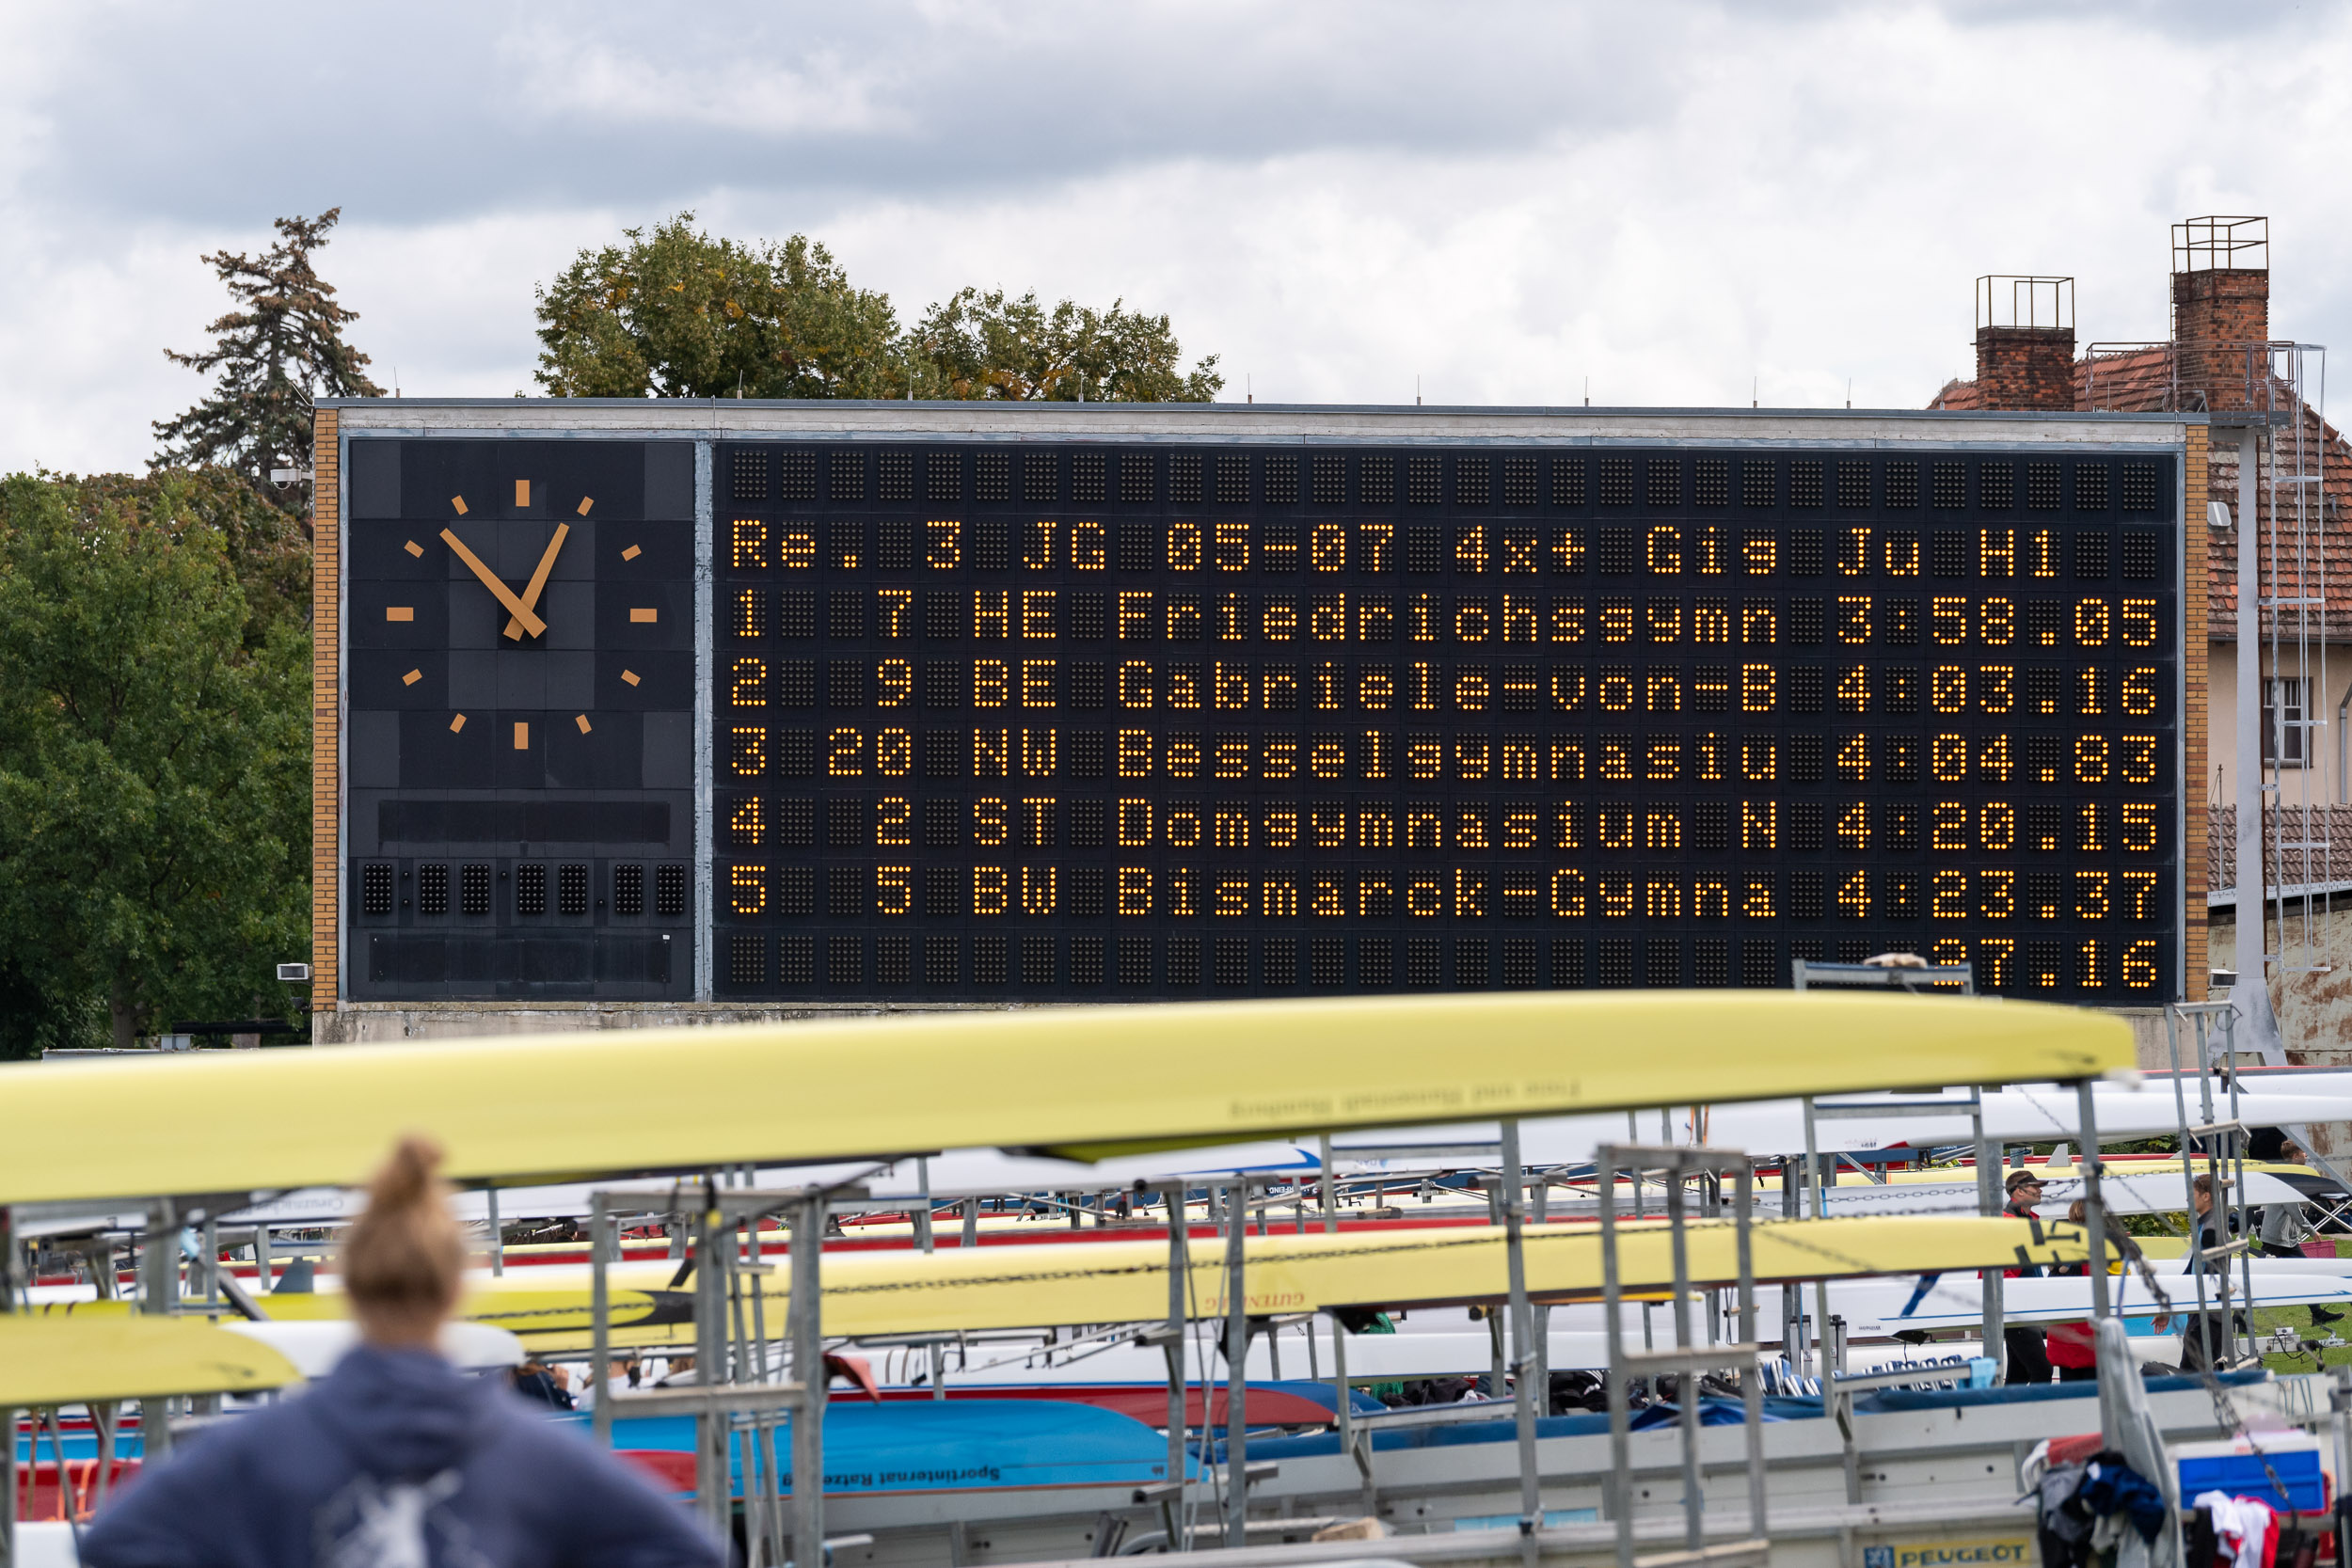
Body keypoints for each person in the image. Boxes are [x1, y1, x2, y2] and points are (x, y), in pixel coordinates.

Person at [81, 1137, 722, 1568]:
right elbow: (695, 1553)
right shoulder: (539, 1459)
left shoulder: (256, 1452)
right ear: (452, 1287)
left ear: (352, 1284)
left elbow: (114, 1543)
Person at [1999, 1169, 2054, 1385]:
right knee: (2042, 1370)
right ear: (2019, 1192)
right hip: (2017, 1308)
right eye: (2035, 1186)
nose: (2040, 1190)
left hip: (2024, 1307)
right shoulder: (2007, 1222)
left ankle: (2009, 1416)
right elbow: (2000, 1270)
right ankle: (2037, 1417)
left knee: (2019, 1374)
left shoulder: (2027, 1220)